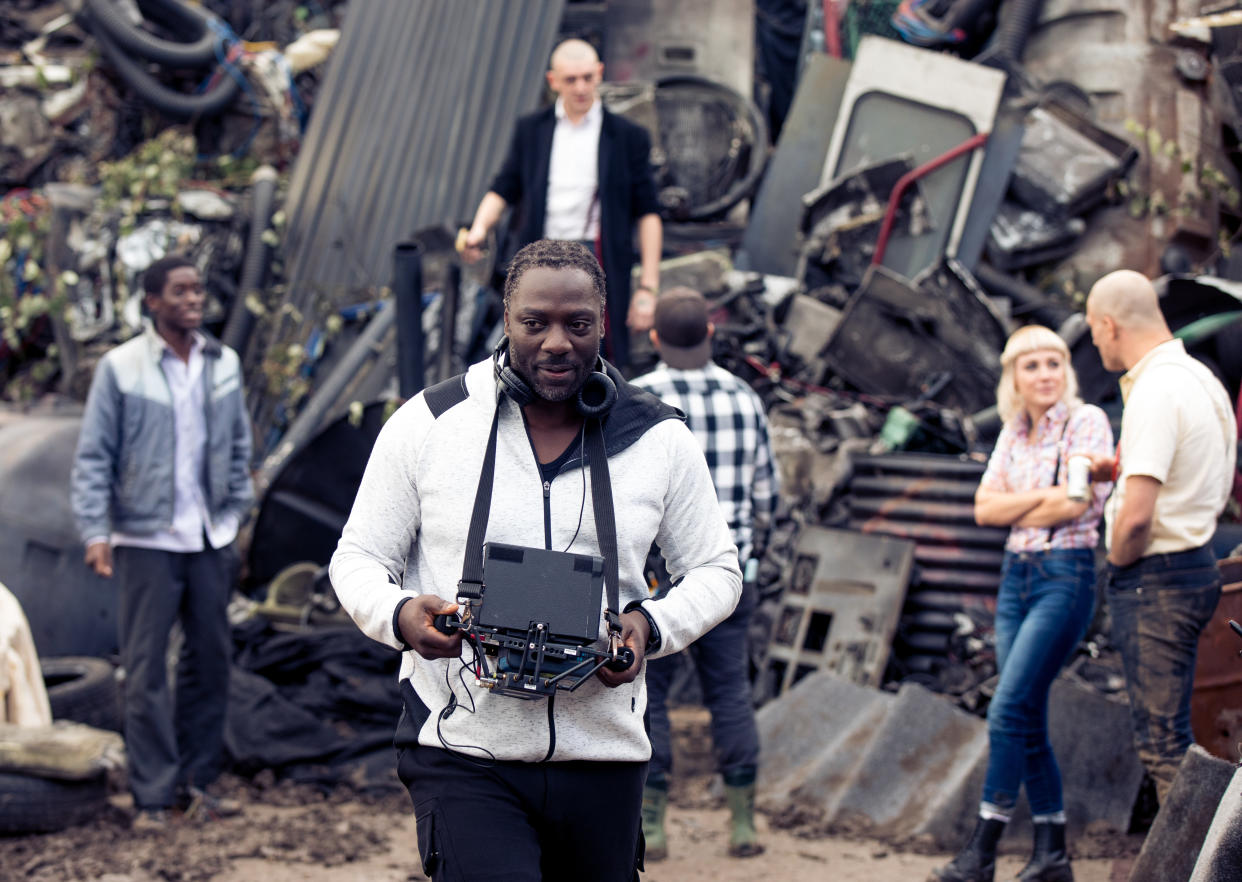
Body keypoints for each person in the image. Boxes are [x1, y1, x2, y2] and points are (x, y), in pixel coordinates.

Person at [330, 240, 741, 881]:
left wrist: (646, 628)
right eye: (535, 322)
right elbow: (358, 556)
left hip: (604, 753)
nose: (556, 342)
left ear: (602, 323)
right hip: (463, 749)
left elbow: (717, 568)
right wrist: (400, 613)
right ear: (506, 318)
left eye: (577, 324)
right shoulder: (430, 423)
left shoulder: (657, 436)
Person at [70, 254, 253, 832]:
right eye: (179, 291)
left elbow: (240, 446)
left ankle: (195, 784)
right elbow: (94, 455)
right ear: (152, 302)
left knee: (211, 660)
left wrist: (235, 511)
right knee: (146, 667)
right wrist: (96, 530)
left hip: (207, 534)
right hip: (146, 535)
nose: (193, 299)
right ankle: (151, 795)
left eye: (198, 290)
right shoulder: (121, 368)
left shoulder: (223, 363)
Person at [930, 325, 1113, 882]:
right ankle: (1053, 854)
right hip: (1016, 579)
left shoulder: (1087, 422)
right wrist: (1047, 499)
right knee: (1025, 714)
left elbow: (1081, 504)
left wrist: (1022, 505)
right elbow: (985, 510)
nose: (1044, 375)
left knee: (1008, 708)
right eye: (1031, 366)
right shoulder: (1015, 429)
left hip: (1066, 577)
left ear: (1067, 370)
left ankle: (982, 849)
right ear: (1014, 376)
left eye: (1053, 363)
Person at [630, 287, 778, 861]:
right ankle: (742, 825)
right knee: (730, 694)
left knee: (650, 695)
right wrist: (752, 553)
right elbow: (769, 497)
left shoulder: (641, 400)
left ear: (655, 339)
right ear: (713, 334)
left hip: (656, 582)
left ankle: (655, 828)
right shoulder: (746, 398)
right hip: (731, 575)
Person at [1084, 269, 1237, 805]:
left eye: (1093, 329)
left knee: (1163, 747)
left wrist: (1118, 560)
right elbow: (1196, 477)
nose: (1096, 340)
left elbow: (1137, 519)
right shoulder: (1201, 380)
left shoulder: (1155, 390)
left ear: (1108, 325)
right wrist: (1119, 471)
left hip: (1156, 577)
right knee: (1176, 738)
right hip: (1194, 565)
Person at [461, 38, 663, 371]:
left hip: (598, 257)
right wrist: (479, 230)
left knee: (597, 352)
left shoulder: (627, 136)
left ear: (600, 73)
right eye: (571, 79)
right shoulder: (532, 130)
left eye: (588, 77)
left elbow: (648, 213)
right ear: (553, 81)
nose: (581, 87)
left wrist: (648, 288)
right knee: (526, 347)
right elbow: (504, 187)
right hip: (539, 252)